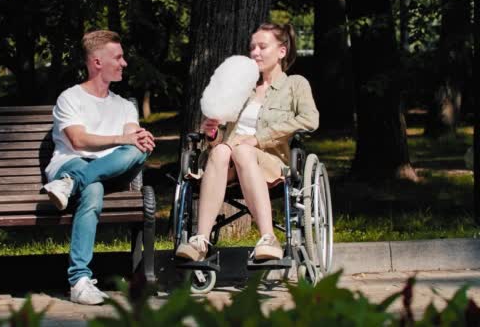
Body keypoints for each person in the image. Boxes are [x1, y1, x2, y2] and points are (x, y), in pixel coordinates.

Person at [175, 23, 319, 262]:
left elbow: (310, 120)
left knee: (241, 150)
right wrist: (212, 134)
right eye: (252, 48)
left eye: (262, 47)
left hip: (270, 161)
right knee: (221, 151)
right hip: (227, 161)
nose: (255, 53)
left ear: (282, 51)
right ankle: (200, 240)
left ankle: (268, 238)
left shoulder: (295, 85)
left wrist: (257, 139)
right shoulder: (241, 88)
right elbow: (222, 138)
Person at [43, 30, 155, 305]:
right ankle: (79, 281)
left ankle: (71, 183)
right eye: (117, 57)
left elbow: (133, 140)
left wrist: (140, 138)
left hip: (109, 169)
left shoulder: (124, 105)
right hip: (69, 163)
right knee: (93, 189)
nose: (124, 63)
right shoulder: (70, 98)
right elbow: (78, 140)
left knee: (138, 151)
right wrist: (122, 138)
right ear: (96, 62)